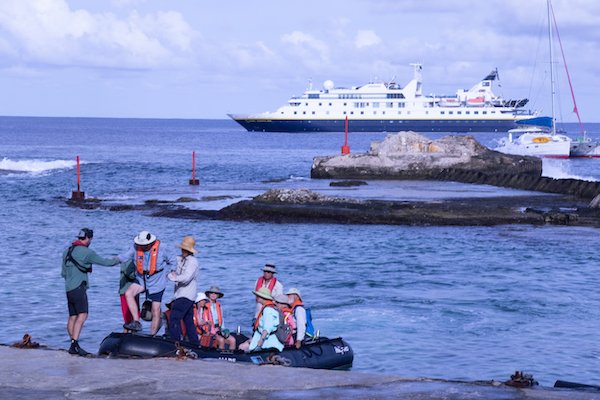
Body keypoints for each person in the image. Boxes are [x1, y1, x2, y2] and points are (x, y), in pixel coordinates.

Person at [61, 228, 120, 356]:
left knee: (72, 316)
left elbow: (63, 273)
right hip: (79, 287)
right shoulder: (87, 252)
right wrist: (119, 259)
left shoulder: (67, 251)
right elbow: (106, 263)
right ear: (88, 238)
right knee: (83, 315)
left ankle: (73, 343)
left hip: (68, 288)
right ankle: (74, 345)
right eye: (90, 239)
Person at [118, 230, 172, 334]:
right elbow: (125, 256)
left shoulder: (163, 248)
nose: (143, 247)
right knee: (128, 293)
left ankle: (153, 335)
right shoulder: (135, 247)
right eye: (141, 245)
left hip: (157, 282)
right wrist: (114, 260)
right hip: (142, 279)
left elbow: (173, 261)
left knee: (155, 309)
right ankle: (136, 322)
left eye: (145, 245)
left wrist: (168, 274)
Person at [166, 236, 199, 344]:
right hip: (182, 295)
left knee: (174, 317)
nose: (183, 251)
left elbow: (186, 278)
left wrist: (172, 277)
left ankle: (175, 342)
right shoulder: (179, 258)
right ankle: (195, 343)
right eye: (183, 249)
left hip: (186, 295)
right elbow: (170, 263)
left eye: (185, 249)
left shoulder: (193, 262)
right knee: (188, 321)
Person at [239, 287, 283, 352]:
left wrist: (261, 341)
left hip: (267, 341)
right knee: (243, 346)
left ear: (262, 297)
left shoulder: (267, 310)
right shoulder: (270, 307)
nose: (256, 297)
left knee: (242, 347)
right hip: (263, 337)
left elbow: (267, 328)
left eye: (258, 296)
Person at [204, 286, 237, 350]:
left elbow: (222, 319)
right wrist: (212, 330)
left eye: (215, 293)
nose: (213, 294)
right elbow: (204, 321)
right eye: (211, 293)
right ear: (208, 295)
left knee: (233, 340)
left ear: (218, 295)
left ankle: (231, 355)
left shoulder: (219, 306)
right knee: (221, 340)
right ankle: (219, 355)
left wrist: (223, 330)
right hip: (210, 330)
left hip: (219, 329)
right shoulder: (205, 306)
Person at [119, 259, 139, 332]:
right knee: (128, 318)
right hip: (127, 290)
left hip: (132, 290)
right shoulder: (129, 260)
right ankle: (129, 334)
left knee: (131, 317)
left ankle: (131, 334)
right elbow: (129, 274)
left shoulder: (130, 259)